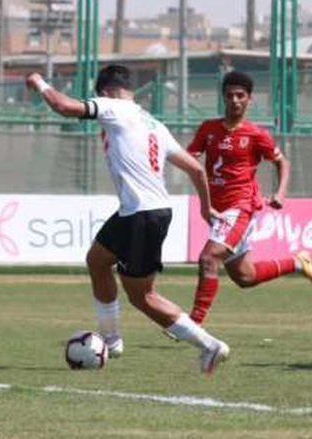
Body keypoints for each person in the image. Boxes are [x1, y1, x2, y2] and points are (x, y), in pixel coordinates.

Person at [25, 65, 230, 374]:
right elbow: (197, 170)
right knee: (97, 260)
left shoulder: (114, 107)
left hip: (143, 215)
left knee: (142, 296)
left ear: (105, 92)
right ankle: (111, 340)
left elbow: (63, 106)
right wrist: (205, 207)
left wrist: (40, 83)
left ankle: (210, 346)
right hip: (138, 211)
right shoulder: (153, 124)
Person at [185, 71, 312, 327]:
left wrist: (280, 193)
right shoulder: (208, 129)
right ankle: (297, 262)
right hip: (218, 210)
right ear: (223, 98)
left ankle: (193, 324)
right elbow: (190, 158)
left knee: (208, 258)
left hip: (241, 207)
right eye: (229, 95)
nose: (235, 100)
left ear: (249, 99)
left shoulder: (256, 135)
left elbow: (282, 162)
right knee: (245, 277)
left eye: (240, 95)